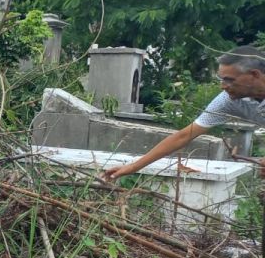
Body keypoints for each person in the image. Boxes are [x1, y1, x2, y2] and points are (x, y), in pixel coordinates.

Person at [101, 45, 265, 181]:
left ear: (254, 75)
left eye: (229, 80)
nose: (223, 86)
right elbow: (184, 136)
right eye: (220, 79)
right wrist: (132, 167)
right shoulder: (228, 100)